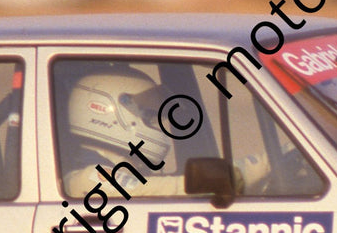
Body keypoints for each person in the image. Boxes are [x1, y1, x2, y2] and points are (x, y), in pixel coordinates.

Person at [61, 67, 269, 196]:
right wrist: (255, 168)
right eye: (150, 114)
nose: (157, 121)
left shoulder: (121, 169)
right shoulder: (87, 178)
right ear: (101, 109)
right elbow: (164, 188)